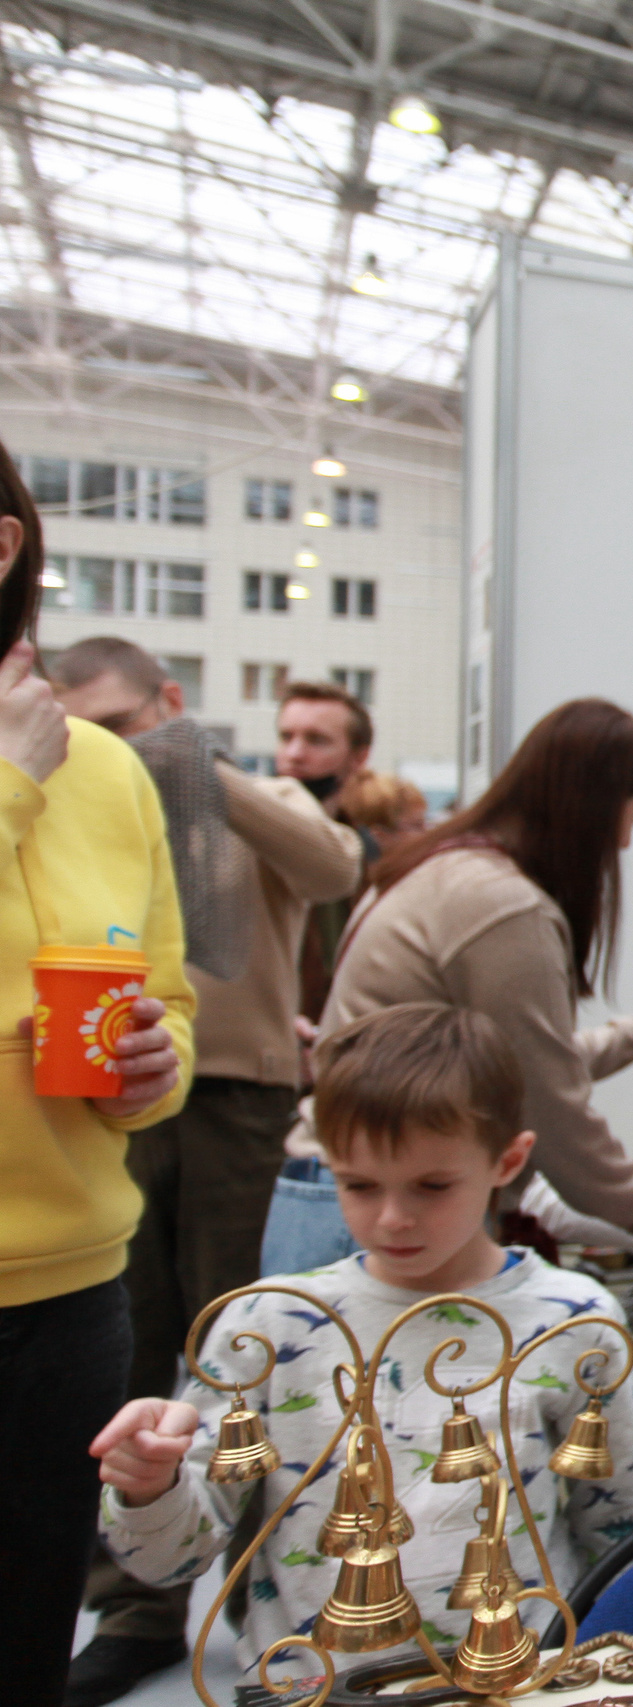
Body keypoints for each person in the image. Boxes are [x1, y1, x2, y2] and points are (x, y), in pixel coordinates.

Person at [90, 1004, 633, 1688]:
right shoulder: (267, 1323)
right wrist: (152, 1486)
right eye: (357, 1183)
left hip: (514, 1683)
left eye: (432, 1185)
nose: (391, 1217)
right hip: (307, 1689)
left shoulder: (576, 1320)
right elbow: (167, 1561)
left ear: (509, 1160)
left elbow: (621, 1539)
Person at [49, 638, 366, 1706]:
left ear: (170, 705)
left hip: (240, 1096)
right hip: (113, 1098)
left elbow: (334, 870)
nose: (108, 747)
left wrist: (195, 764)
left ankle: (257, 1584)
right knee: (131, 1339)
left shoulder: (258, 795)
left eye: (124, 722)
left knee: (243, 1344)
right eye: (83, 726)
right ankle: (133, 1602)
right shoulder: (75, 797)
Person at [0, 444, 194, 1707]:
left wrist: (152, 1068)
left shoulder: (111, 771)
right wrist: (7, 788)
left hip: (68, 1296)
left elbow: (164, 994)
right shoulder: (34, 770)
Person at [297, 697, 633, 1252]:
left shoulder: (448, 867)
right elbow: (548, 1103)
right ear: (590, 811)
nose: (625, 843)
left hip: (344, 1185)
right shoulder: (501, 905)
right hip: (382, 1202)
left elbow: (518, 1065)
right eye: (631, 820)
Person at [277, 679, 375, 1021]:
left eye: (316, 740)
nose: (294, 755)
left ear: (358, 757)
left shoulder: (376, 857)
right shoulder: (248, 845)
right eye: (286, 737)